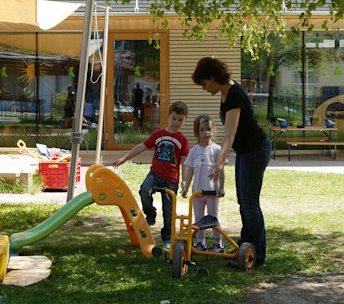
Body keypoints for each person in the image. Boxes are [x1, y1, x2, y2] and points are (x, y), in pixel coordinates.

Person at [192, 57, 272, 267]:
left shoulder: (234, 95)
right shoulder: (225, 92)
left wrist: (219, 162)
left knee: (250, 204)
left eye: (204, 84)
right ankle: (246, 246)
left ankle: (256, 255)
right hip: (246, 151)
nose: (204, 88)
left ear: (213, 78)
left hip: (255, 151)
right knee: (244, 203)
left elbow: (230, 134)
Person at [116, 99, 190, 244]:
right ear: (168, 116)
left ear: (185, 120)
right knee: (144, 190)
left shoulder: (183, 140)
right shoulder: (158, 134)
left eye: (180, 120)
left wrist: (185, 181)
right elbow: (141, 146)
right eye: (174, 118)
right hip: (155, 175)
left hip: (171, 180)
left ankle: (167, 235)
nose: (176, 122)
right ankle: (150, 214)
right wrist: (124, 158)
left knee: (169, 211)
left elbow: (185, 162)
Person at [180, 114, 223, 230]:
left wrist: (221, 187)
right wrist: (185, 186)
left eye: (208, 129)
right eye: (202, 130)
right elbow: (189, 170)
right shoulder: (194, 151)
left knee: (213, 218)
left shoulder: (217, 149)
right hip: (197, 192)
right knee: (198, 220)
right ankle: (200, 240)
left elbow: (221, 170)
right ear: (197, 132)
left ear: (213, 130)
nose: (206, 133)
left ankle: (217, 240)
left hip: (212, 192)